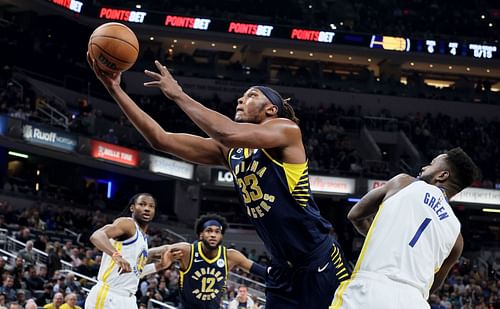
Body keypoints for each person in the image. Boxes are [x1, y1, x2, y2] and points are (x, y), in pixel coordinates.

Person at [88, 56, 349, 308]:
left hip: (319, 260)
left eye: (252, 95)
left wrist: (178, 94)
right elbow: (161, 139)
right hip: (282, 269)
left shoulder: (287, 130)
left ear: (271, 108)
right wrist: (115, 89)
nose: (241, 98)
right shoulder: (230, 151)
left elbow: (227, 131)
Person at [330, 148, 480, 309]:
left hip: (369, 291)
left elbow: (356, 214)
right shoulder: (457, 239)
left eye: (431, 164)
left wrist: (384, 238)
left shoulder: (404, 183)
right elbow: (432, 285)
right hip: (415, 301)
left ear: (442, 175)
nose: (423, 167)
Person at [153, 214, 268, 309]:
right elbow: (152, 252)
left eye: (217, 232)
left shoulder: (230, 256)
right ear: (201, 235)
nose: (213, 235)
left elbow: (264, 273)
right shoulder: (188, 251)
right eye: (209, 231)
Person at [84, 193, 176, 309]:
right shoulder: (128, 224)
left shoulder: (143, 237)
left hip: (129, 299)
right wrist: (115, 255)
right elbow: (97, 235)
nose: (147, 208)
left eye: (151, 206)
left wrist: (160, 265)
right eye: (142, 204)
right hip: (109, 294)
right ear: (132, 208)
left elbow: (135, 272)